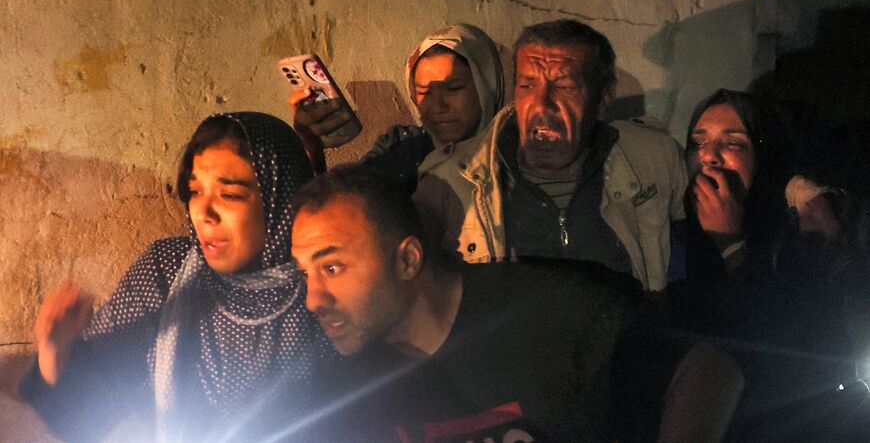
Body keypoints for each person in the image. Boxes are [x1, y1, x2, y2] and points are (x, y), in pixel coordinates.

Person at [20, 112, 335, 442]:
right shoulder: (167, 272)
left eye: (230, 195)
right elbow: (90, 410)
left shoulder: (322, 285)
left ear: (279, 199)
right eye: (195, 191)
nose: (204, 213)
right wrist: (55, 352)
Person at [290, 166, 640, 441]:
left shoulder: (553, 314)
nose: (312, 300)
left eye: (332, 268)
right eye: (306, 273)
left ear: (407, 260)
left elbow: (683, 366)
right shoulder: (345, 381)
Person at [436, 19, 687, 291]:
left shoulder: (655, 160)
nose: (542, 104)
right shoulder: (449, 180)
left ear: (602, 100)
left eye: (564, 86)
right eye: (528, 86)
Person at [675, 89, 866, 440]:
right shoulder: (679, 227)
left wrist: (731, 244)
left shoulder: (807, 232)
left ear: (766, 152)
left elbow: (793, 348)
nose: (709, 157)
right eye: (698, 141)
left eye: (733, 143)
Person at [290, 23, 505, 198]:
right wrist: (311, 150)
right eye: (424, 92)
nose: (438, 107)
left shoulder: (515, 157)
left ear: (487, 86)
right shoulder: (402, 149)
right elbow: (345, 210)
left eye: (454, 88)